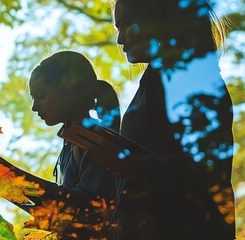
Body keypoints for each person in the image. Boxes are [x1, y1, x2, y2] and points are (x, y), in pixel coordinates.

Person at [88, 0, 235, 238]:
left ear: (158, 20)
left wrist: (127, 164)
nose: (120, 40)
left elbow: (207, 169)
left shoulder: (190, 75)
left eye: (126, 25)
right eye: (118, 29)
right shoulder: (157, 79)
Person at [0, 51, 120, 238]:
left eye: (41, 96)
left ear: (70, 91)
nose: (34, 107)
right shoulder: (71, 147)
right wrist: (2, 181)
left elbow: (87, 210)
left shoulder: (97, 140)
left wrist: (8, 176)